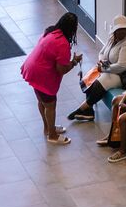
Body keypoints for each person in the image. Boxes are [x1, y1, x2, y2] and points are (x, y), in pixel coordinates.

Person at [19, 13, 82, 145]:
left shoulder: (50, 31)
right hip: (42, 75)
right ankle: (52, 135)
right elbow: (61, 69)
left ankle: (48, 128)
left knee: (42, 101)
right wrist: (74, 62)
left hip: (32, 69)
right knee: (50, 105)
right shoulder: (62, 43)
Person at [67, 15, 126, 122]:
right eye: (119, 30)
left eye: (123, 29)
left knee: (101, 82)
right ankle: (88, 111)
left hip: (124, 75)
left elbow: (121, 66)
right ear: (115, 31)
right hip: (110, 69)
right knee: (91, 78)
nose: (121, 32)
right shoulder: (112, 38)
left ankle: (83, 108)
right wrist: (102, 62)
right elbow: (102, 53)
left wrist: (104, 68)